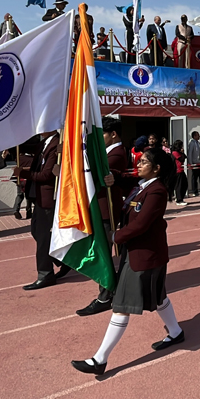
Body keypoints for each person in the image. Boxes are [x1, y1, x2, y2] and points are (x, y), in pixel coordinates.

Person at [71, 148, 184, 375]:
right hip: (139, 253)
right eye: (139, 161)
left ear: (157, 168)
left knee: (121, 306)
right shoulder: (141, 186)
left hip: (145, 255)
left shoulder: (157, 191)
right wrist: (111, 177)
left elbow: (141, 224)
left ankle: (99, 359)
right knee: (158, 296)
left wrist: (115, 236)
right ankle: (176, 332)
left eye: (143, 162)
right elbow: (125, 185)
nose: (138, 165)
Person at [77, 118, 131, 316]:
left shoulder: (117, 153)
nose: (100, 139)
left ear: (113, 134)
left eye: (102, 135)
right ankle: (111, 289)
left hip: (107, 211)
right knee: (101, 250)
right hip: (99, 209)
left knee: (103, 253)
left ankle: (105, 296)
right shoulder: (107, 152)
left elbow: (95, 173)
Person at [23, 131, 69, 289]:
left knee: (43, 237)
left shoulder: (56, 143)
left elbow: (46, 175)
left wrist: (23, 173)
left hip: (49, 198)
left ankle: (45, 274)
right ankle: (63, 259)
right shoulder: (44, 143)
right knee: (36, 230)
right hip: (38, 197)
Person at [171, 140, 188, 206]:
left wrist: (182, 152)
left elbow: (185, 157)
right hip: (177, 171)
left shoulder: (179, 152)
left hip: (181, 170)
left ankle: (180, 197)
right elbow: (181, 159)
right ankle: (179, 200)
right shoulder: (174, 153)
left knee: (185, 184)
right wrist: (182, 153)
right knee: (179, 186)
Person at [187, 131, 200, 197]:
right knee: (194, 178)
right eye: (198, 135)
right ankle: (194, 191)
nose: (199, 136)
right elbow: (190, 153)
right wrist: (190, 163)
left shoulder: (198, 143)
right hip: (194, 163)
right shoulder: (192, 143)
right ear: (194, 136)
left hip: (199, 163)